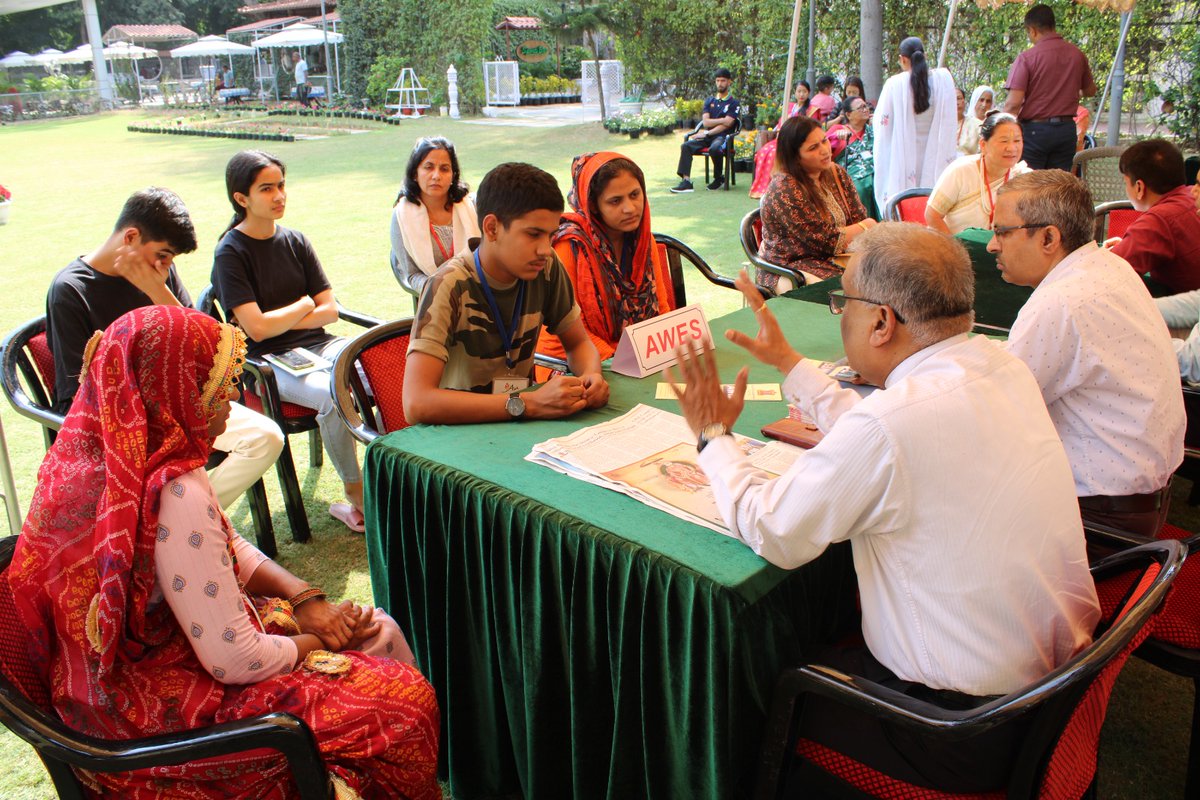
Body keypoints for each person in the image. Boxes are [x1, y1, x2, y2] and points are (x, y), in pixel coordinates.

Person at [667, 224, 1098, 794]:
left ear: (881, 322)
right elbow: (891, 438)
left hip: (954, 726)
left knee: (745, 700)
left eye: (841, 299)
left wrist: (712, 435)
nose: (839, 312)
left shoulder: (891, 423)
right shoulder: (1000, 366)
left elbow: (773, 530)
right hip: (1051, 691)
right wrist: (795, 365)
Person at [5, 304, 441, 799]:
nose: (232, 395)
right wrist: (326, 643)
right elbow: (237, 662)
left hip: (116, 681)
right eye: (216, 382)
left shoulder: (113, 456)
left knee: (376, 633)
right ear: (173, 393)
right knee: (405, 701)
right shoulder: (174, 492)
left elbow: (224, 542)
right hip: (153, 718)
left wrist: (305, 598)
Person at [45, 187, 283, 510]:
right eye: (162, 255)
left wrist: (156, 289)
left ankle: (188, 517)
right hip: (120, 427)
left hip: (180, 408)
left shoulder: (160, 275)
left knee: (266, 438)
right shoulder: (71, 291)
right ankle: (177, 522)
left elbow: (207, 346)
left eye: (170, 260)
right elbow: (77, 395)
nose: (165, 266)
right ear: (130, 237)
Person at [990, 170, 1184, 537]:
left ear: (1049, 237)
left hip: (1099, 520)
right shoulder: (1107, 265)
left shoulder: (1060, 302)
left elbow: (996, 414)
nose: (991, 245)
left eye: (1002, 231)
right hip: (1142, 499)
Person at [211, 150, 366, 533]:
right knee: (332, 395)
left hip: (321, 344)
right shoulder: (231, 252)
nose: (279, 195)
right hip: (268, 363)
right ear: (241, 198)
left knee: (380, 369)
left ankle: (397, 477)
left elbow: (330, 311)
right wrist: (302, 303)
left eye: (281, 185)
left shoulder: (296, 240)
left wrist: (286, 316)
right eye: (267, 189)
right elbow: (256, 331)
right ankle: (357, 492)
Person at [403, 162, 609, 423]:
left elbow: (578, 343)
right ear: (492, 228)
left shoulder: (545, 267)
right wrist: (526, 403)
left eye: (550, 235)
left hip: (522, 421)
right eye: (533, 234)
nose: (545, 249)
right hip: (459, 433)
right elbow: (416, 403)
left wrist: (591, 377)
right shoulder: (448, 284)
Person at [537, 152, 673, 362]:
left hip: (636, 357)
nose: (630, 208)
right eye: (615, 201)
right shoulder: (569, 246)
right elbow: (562, 334)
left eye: (635, 195)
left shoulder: (644, 241)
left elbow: (661, 309)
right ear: (593, 205)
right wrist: (620, 359)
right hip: (572, 362)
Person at [757, 115, 875, 291]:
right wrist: (867, 225)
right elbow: (825, 241)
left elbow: (858, 217)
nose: (825, 150)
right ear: (795, 157)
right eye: (813, 148)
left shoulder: (836, 173)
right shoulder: (784, 188)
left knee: (886, 274)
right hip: (789, 266)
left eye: (824, 141)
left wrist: (863, 226)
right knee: (851, 290)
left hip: (834, 257)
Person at [1002, 4, 1097, 171]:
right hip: (1066, 130)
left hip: (1035, 131)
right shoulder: (1077, 54)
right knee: (1057, 188)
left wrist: (1002, 130)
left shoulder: (1027, 58)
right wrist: (1071, 91)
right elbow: (1090, 91)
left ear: (1032, 30)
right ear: (1053, 25)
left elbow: (1013, 104)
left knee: (1028, 186)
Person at [873, 36, 958, 214]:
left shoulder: (895, 84)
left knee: (904, 200)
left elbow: (882, 126)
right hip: (934, 153)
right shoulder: (943, 80)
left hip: (902, 155)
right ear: (924, 55)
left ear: (902, 59)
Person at [389, 136, 480, 301]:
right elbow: (412, 275)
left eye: (444, 169)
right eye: (428, 167)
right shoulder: (402, 215)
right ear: (415, 173)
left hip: (479, 295)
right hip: (434, 302)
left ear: (453, 175)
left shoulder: (471, 207)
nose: (436, 176)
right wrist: (442, 291)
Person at [1105, 138, 1200, 294]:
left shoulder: (1157, 220)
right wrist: (1129, 245)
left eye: (1126, 182)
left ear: (1139, 187)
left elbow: (1109, 271)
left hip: (1185, 309)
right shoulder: (1191, 194)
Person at [927, 112, 1031, 235]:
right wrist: (957, 251)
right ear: (983, 144)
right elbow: (932, 215)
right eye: (1004, 141)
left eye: (1017, 141)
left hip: (1001, 251)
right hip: (954, 248)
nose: (1012, 148)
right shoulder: (961, 170)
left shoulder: (1023, 178)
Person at [671, 68, 741, 192]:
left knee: (715, 148)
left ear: (729, 82)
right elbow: (706, 121)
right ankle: (686, 182)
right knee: (686, 146)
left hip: (723, 137)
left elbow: (729, 124)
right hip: (708, 136)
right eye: (718, 80)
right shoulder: (709, 101)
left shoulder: (733, 103)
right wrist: (722, 120)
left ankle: (719, 178)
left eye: (723, 81)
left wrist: (708, 131)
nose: (720, 83)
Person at [749, 80, 810, 200]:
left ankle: (773, 188)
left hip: (796, 140)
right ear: (795, 93)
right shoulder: (789, 107)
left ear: (809, 93)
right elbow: (780, 124)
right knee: (764, 151)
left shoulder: (811, 110)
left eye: (804, 91)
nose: (801, 94)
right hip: (782, 138)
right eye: (799, 91)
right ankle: (762, 188)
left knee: (773, 153)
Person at [826, 96, 877, 219]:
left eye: (866, 106)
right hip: (850, 174)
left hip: (875, 170)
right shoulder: (838, 130)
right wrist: (835, 137)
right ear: (848, 114)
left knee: (879, 184)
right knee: (861, 187)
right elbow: (823, 147)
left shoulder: (873, 129)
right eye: (861, 108)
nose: (866, 110)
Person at [955, 87, 981, 156]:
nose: (957, 103)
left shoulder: (977, 125)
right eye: (952, 99)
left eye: (959, 98)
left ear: (964, 101)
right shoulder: (939, 126)